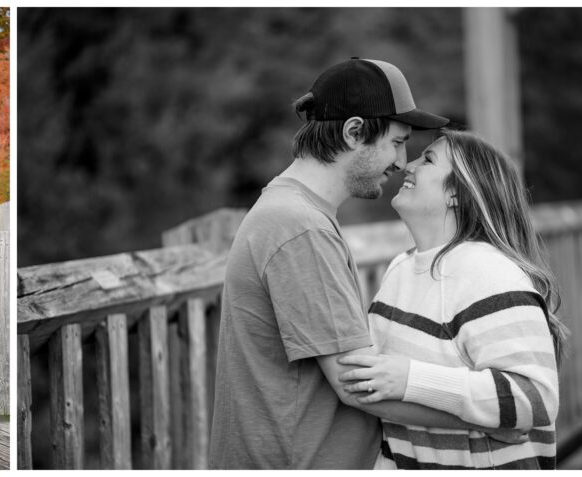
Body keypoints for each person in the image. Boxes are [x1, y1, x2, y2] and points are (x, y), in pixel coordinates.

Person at [208, 58, 511, 469]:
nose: (402, 162)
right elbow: (357, 384)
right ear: (354, 132)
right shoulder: (300, 228)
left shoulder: (295, 213)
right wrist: (494, 420)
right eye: (397, 142)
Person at [337, 129, 567, 469]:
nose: (407, 165)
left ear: (456, 194)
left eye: (427, 159)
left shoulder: (492, 275)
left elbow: (534, 400)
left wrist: (412, 379)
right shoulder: (401, 269)